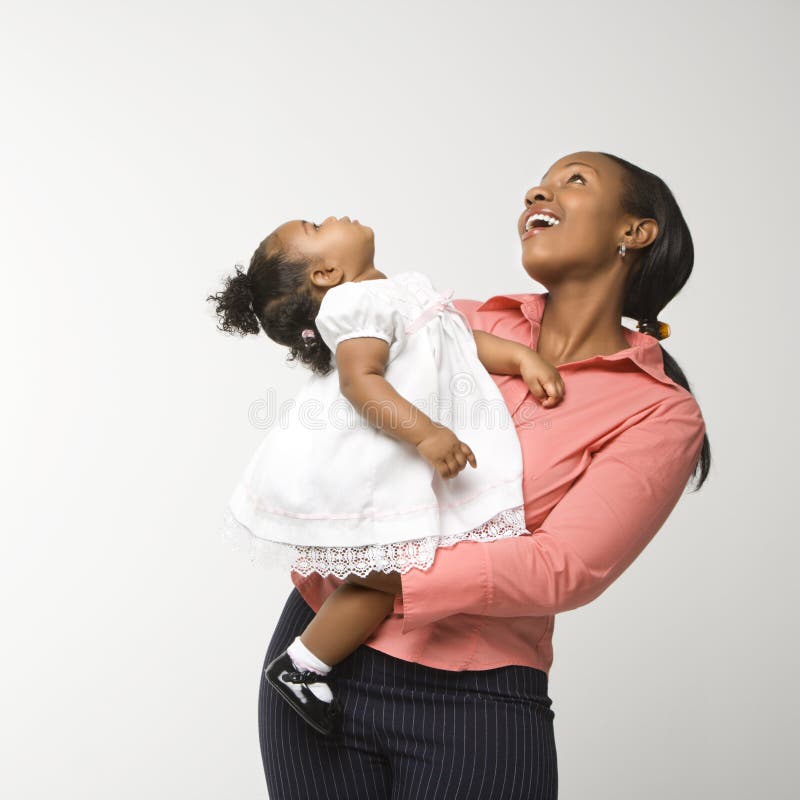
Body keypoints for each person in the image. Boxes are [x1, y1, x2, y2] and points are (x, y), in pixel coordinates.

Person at [218, 150, 711, 799]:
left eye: (574, 180)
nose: (538, 191)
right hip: (316, 658)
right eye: (540, 182)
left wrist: (391, 570)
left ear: (635, 231)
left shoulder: (657, 411)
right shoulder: (460, 316)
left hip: (471, 701)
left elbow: (566, 567)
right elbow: (344, 410)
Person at [207, 218, 567, 736]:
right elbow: (360, 383)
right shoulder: (356, 304)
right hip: (374, 462)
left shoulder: (399, 293)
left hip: (398, 460)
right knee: (390, 573)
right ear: (326, 273)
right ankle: (303, 664)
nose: (333, 217)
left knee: (393, 574)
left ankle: (303, 662)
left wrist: (521, 358)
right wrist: (426, 434)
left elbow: (458, 343)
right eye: (316, 226)